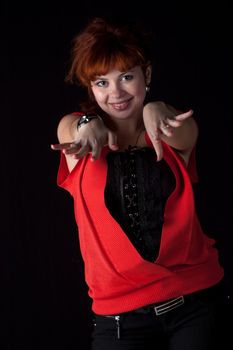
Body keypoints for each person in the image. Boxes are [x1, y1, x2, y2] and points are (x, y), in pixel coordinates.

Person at [51, 17, 225, 350]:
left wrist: (158, 108)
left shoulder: (176, 131)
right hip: (118, 321)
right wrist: (86, 124)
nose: (114, 93)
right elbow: (69, 128)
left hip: (194, 305)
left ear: (147, 74)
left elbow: (182, 130)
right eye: (101, 82)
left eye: (126, 77)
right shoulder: (78, 141)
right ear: (90, 88)